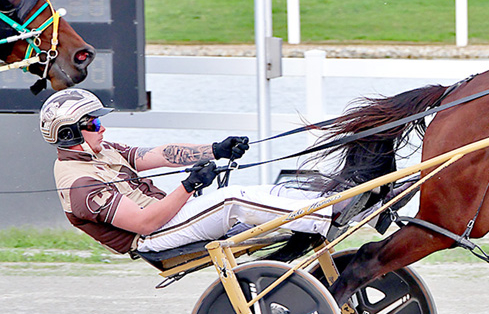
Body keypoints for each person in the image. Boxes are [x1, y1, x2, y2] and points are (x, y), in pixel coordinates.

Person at [40, 88, 351, 255]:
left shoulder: (101, 150)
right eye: (94, 123)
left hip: (171, 219)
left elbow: (159, 154)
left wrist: (216, 149)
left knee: (264, 191)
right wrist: (187, 186)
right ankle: (326, 217)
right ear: (69, 133)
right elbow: (145, 223)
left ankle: (337, 200)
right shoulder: (80, 184)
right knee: (230, 200)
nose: (102, 127)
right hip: (153, 236)